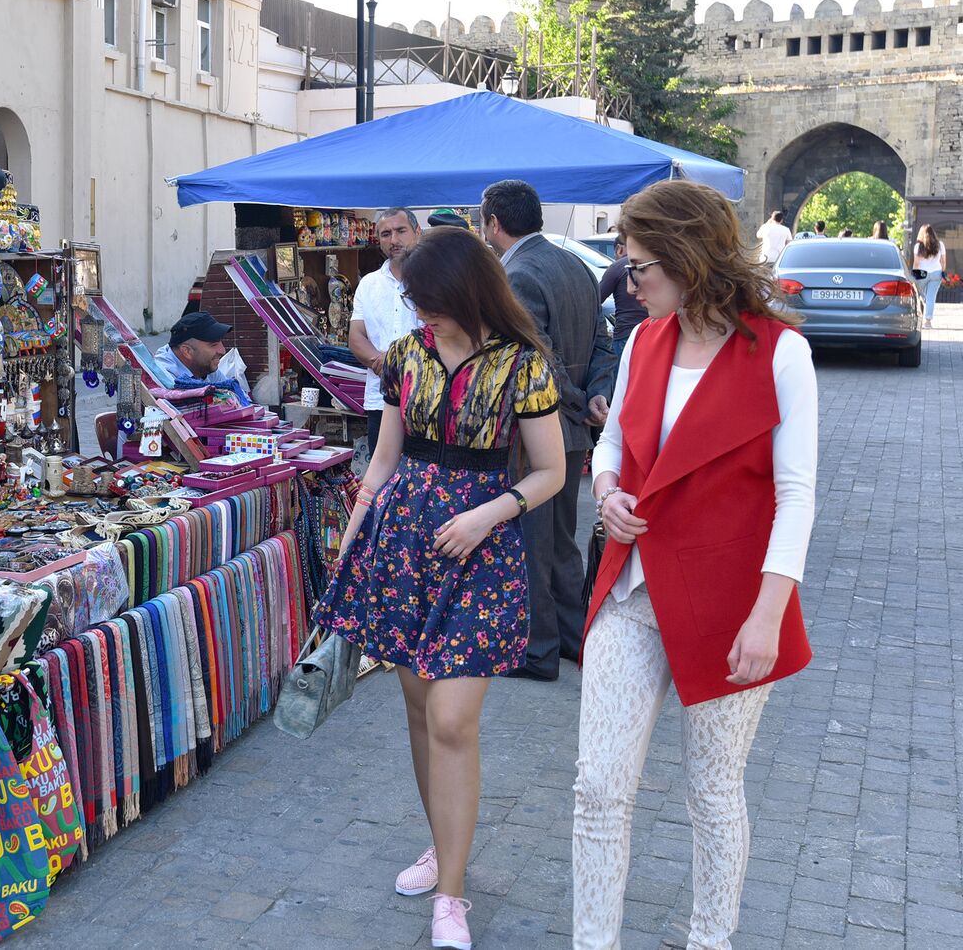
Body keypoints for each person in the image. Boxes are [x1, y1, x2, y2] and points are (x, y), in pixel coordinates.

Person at [573, 180, 817, 950]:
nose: (626, 278)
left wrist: (768, 618)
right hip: (630, 588)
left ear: (686, 259)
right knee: (598, 788)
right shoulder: (646, 340)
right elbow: (612, 445)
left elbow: (796, 496)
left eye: (638, 265)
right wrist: (607, 494)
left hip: (729, 604)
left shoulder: (782, 354)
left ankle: (711, 940)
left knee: (712, 791)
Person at [317, 226, 567, 950]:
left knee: (455, 721)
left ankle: (452, 895)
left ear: (463, 289)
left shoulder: (522, 365)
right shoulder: (404, 358)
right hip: (402, 545)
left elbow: (548, 471)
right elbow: (383, 460)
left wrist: (489, 515)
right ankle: (443, 846)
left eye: (427, 298)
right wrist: (351, 538)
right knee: (423, 714)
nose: (417, 309)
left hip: (480, 550)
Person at [481, 179, 601, 679]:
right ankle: (575, 639)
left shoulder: (518, 274)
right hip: (572, 430)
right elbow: (602, 342)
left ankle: (538, 652)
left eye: (481, 221)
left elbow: (538, 363)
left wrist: (578, 402)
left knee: (534, 543)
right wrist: (597, 394)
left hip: (541, 432)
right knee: (559, 542)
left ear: (494, 222)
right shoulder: (573, 262)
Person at [350, 208, 421, 454]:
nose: (394, 240)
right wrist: (386, 364)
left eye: (401, 231)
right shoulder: (369, 284)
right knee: (382, 478)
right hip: (380, 400)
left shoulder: (434, 278)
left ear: (417, 232)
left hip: (425, 399)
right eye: (386, 234)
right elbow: (357, 336)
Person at [152, 311, 252, 405]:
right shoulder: (164, 377)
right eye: (213, 345)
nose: (222, 350)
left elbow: (243, 399)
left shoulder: (204, 366)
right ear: (187, 351)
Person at [597, 232, 649, 370]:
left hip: (625, 335)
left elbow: (596, 299)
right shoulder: (649, 264)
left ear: (619, 249)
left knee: (621, 384)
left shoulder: (617, 267)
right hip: (651, 334)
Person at [913, 223, 947, 328]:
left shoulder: (918, 246)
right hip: (936, 272)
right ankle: (928, 321)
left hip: (922, 273)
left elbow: (917, 263)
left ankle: (918, 318)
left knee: (919, 294)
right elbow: (943, 261)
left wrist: (914, 276)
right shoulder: (940, 244)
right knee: (931, 297)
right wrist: (942, 272)